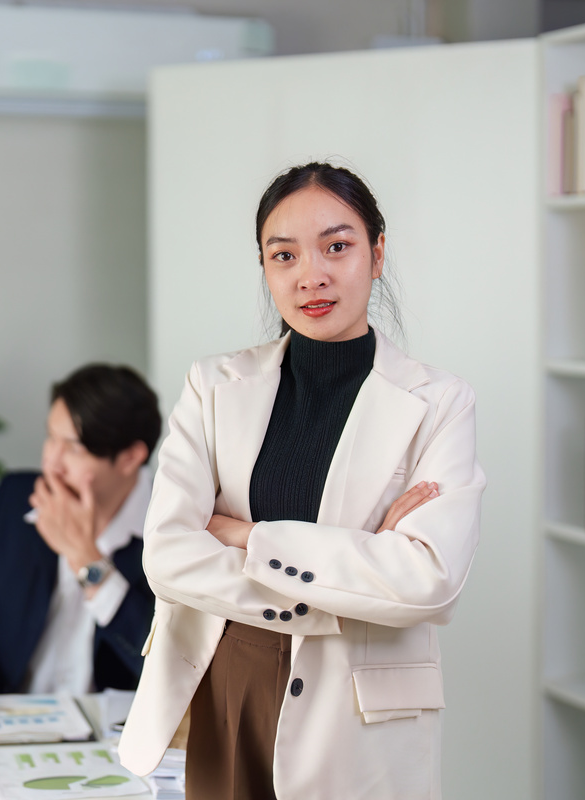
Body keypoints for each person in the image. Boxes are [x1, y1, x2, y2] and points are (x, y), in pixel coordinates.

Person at [117, 162, 486, 799]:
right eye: (282, 255)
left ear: (375, 255)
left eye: (336, 247)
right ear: (265, 268)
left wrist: (245, 534)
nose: (310, 274)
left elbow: (429, 581)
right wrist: (359, 570)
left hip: (359, 708)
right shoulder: (214, 387)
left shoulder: (440, 401)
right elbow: (169, 556)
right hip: (229, 678)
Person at [0, 364, 161, 720]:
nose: (50, 463)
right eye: (50, 438)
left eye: (71, 448)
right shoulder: (11, 502)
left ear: (130, 457)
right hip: (6, 724)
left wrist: (88, 562)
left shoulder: (171, 526)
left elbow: (169, 663)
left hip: (113, 737)